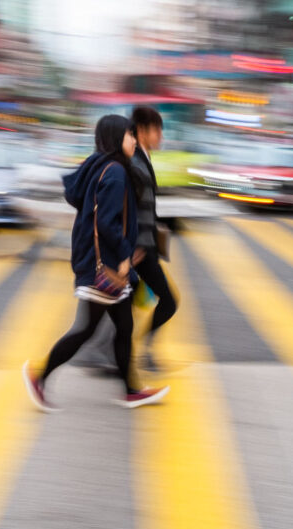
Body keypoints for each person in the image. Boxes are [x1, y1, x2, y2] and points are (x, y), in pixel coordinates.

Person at [23, 114, 170, 411]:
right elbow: (106, 222)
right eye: (130, 136)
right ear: (118, 138)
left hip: (96, 261)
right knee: (87, 328)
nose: (134, 140)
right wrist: (126, 257)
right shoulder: (115, 172)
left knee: (124, 326)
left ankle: (130, 390)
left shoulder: (100, 165)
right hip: (106, 266)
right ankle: (39, 377)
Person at [129, 107, 177, 370]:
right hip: (139, 249)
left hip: (143, 247)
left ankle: (121, 353)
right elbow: (128, 208)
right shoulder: (136, 163)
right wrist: (134, 244)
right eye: (157, 130)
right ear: (143, 131)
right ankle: (141, 352)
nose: (161, 136)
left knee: (127, 303)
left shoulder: (142, 159)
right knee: (169, 301)